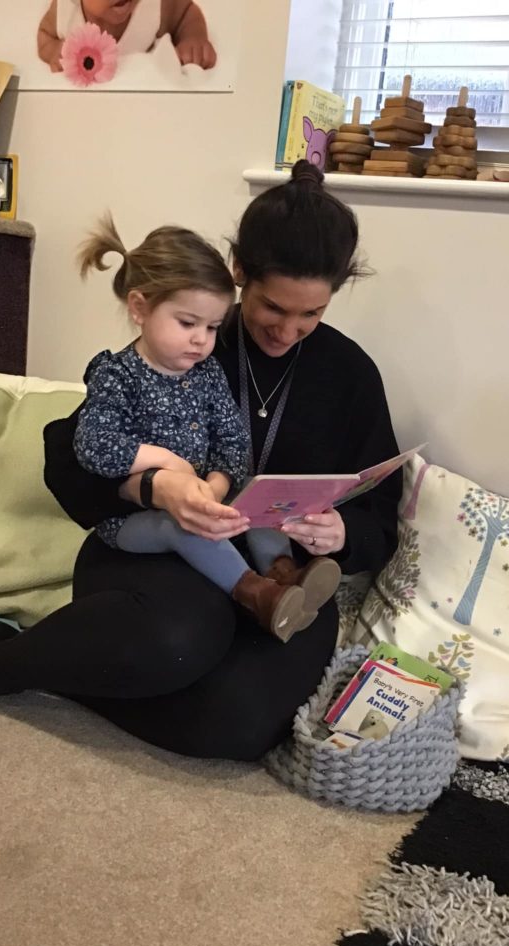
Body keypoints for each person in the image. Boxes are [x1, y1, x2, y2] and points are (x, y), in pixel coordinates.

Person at [0, 160, 401, 760]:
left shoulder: (350, 374)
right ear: (240, 273)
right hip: (159, 551)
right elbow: (70, 459)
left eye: (311, 314)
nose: (288, 331)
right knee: (177, 645)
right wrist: (154, 487)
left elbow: (381, 515)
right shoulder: (188, 332)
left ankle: (70, 666)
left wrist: (342, 533)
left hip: (286, 580)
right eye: (272, 307)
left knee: (239, 727)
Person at [72, 215, 340, 642]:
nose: (201, 339)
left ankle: (284, 575)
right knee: (184, 526)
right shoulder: (116, 375)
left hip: (199, 497)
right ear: (140, 308)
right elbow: (94, 446)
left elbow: (232, 441)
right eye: (187, 323)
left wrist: (217, 487)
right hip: (133, 521)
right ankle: (256, 595)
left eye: (212, 327)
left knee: (256, 494)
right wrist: (166, 465)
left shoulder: (207, 373)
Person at [37, 0, 216, 73]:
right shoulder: (66, 13)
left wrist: (193, 37)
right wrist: (54, 50)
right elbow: (45, 34)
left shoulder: (154, 7)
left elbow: (186, 12)